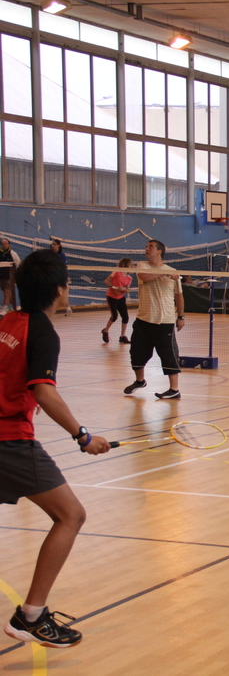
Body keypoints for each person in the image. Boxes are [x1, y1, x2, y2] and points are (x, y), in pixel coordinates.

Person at [1, 249, 111, 649]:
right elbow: (44, 392)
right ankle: (31, 615)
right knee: (71, 515)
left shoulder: (7, 322)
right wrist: (83, 436)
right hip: (9, 442)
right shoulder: (43, 332)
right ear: (60, 290)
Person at [124, 240, 185, 400]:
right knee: (136, 352)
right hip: (144, 319)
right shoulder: (142, 266)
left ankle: (174, 389)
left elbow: (179, 295)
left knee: (169, 354)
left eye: (150, 247)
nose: (146, 248)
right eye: (146, 246)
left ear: (159, 251)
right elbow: (144, 276)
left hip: (165, 320)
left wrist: (181, 316)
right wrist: (164, 274)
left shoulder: (173, 271)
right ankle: (140, 381)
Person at [101, 257, 133, 344]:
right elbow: (106, 281)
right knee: (114, 316)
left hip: (121, 298)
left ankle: (122, 336)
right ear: (126, 265)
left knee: (125, 317)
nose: (131, 267)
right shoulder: (116, 272)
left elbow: (127, 290)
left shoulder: (129, 278)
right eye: (130, 265)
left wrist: (124, 289)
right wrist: (115, 287)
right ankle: (105, 331)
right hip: (111, 297)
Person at [0, 238, 21, 316]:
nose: (4, 245)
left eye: (6, 244)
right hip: (1, 276)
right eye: (3, 244)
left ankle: (4, 308)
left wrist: (16, 276)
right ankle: (16, 306)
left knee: (7, 292)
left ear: (9, 244)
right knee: (7, 293)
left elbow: (18, 264)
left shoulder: (13, 254)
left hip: (10, 276)